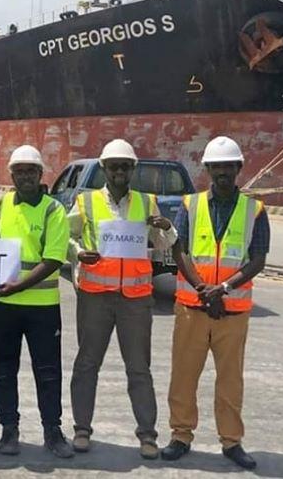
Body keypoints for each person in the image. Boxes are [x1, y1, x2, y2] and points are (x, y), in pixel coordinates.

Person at [161, 136, 269, 471]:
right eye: (216, 167)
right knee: (183, 376)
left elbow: (258, 259)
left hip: (232, 311)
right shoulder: (189, 205)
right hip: (192, 307)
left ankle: (231, 442)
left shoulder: (256, 210)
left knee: (230, 381)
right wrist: (202, 289)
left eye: (228, 167)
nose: (222, 172)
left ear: (238, 169)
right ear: (207, 169)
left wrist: (221, 289)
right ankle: (181, 435)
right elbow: (179, 250)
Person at [0, 145, 74, 458]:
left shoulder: (54, 211)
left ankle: (53, 431)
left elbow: (52, 260)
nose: (25, 176)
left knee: (48, 372)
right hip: (3, 306)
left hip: (41, 308)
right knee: (2, 370)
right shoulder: (4, 203)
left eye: (31, 171)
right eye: (19, 171)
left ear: (40, 175)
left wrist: (17, 286)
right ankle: (9, 429)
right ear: (12, 175)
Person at [67, 139, 177, 459]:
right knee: (87, 364)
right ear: (103, 168)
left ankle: (147, 435)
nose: (118, 171)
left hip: (135, 299)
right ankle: (82, 429)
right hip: (95, 296)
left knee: (139, 368)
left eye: (125, 166)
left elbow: (162, 243)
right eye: (113, 165)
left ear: (133, 169)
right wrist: (77, 253)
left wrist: (166, 227)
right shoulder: (86, 203)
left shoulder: (147, 203)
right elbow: (68, 236)